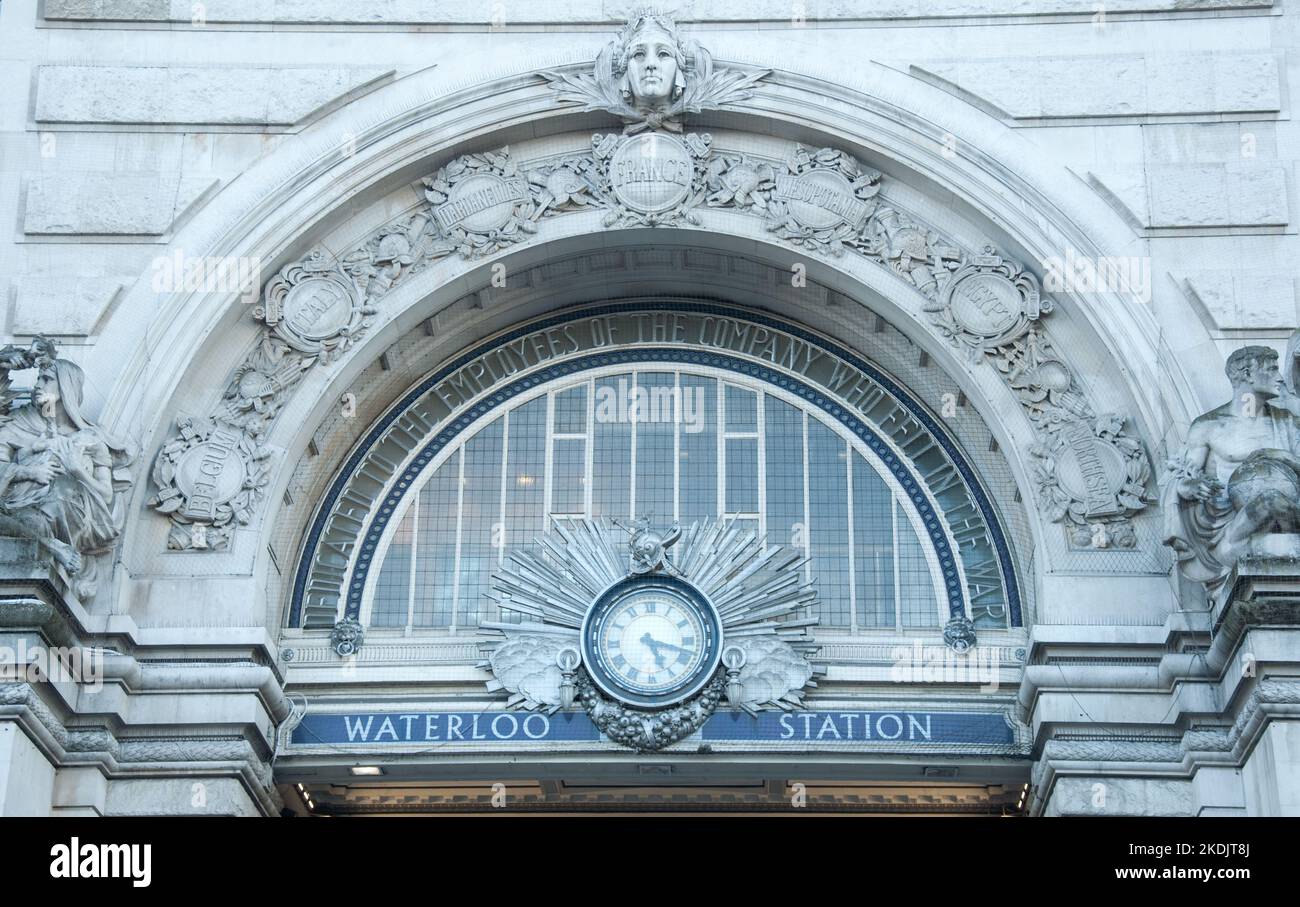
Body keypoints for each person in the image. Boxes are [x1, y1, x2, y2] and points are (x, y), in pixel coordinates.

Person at [1163, 345, 1300, 592]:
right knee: (1271, 501)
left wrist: (1276, 455)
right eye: (1271, 369)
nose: (1280, 377)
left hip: (1290, 517)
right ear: (1247, 374)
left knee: (1277, 505)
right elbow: (1182, 480)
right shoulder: (1209, 427)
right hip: (1234, 534)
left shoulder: (1288, 423)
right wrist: (1191, 486)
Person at [0, 346, 132, 599]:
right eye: (39, 378)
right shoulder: (18, 424)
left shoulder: (90, 439)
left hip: (62, 511)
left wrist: (76, 470)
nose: (38, 384)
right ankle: (49, 545)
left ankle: (51, 545)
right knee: (31, 520)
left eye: (47, 379)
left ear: (66, 388)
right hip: (17, 505)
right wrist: (29, 472)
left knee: (55, 500)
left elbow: (105, 495)